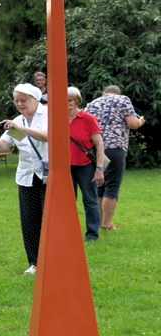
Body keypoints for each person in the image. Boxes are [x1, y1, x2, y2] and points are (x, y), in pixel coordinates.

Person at [0, 84, 48, 274]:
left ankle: (55, 260)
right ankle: (35, 263)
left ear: (35, 99)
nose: (19, 104)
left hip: (50, 175)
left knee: (51, 220)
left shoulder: (48, 114)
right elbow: (2, 147)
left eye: (23, 100)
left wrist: (21, 128)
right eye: (16, 101)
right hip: (27, 176)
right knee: (30, 221)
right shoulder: (17, 120)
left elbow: (48, 136)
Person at [84, 85, 145, 231]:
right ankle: (106, 224)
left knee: (100, 185)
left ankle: (99, 222)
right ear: (118, 93)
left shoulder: (93, 103)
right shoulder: (123, 100)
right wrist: (141, 121)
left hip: (95, 149)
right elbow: (132, 123)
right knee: (112, 186)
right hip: (115, 147)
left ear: (104, 93)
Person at [66, 87, 106, 243]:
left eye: (69, 100)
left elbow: (99, 145)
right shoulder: (57, 118)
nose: (66, 103)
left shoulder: (88, 118)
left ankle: (92, 234)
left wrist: (99, 169)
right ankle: (69, 232)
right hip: (65, 167)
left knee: (90, 200)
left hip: (85, 165)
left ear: (77, 101)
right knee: (68, 201)